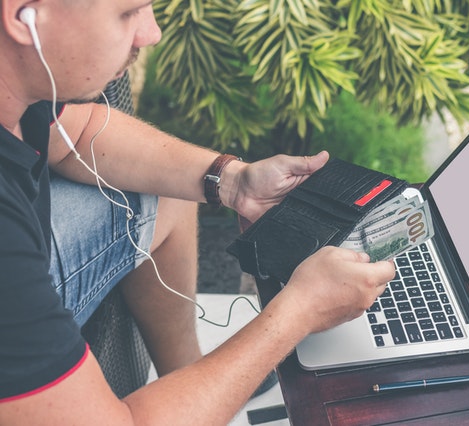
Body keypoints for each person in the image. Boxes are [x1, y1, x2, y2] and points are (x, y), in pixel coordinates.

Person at [0, 1, 396, 424]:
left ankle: (189, 378)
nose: (151, 33)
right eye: (128, 12)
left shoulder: (21, 80)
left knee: (163, 188)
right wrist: (297, 314)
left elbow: (75, 130)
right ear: (23, 15)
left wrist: (231, 180)